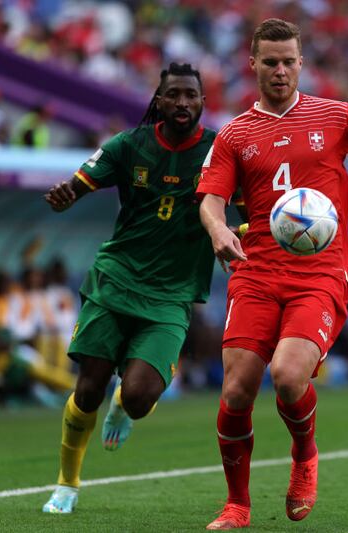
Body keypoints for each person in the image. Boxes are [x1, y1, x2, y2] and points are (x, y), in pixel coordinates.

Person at [196, 19, 348, 529]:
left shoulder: (336, 116)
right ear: (253, 64)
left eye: (288, 61)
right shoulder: (235, 134)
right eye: (270, 62)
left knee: (289, 376)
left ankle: (304, 456)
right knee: (236, 392)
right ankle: (237, 505)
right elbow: (211, 200)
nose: (280, 70)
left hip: (321, 273)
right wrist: (218, 229)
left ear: (301, 63)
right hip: (256, 272)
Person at [41, 63, 219, 514]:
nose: (183, 102)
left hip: (172, 294)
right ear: (158, 101)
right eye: (174, 94)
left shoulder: (219, 151)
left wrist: (241, 231)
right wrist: (67, 195)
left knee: (139, 397)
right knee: (88, 389)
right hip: (116, 281)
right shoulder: (128, 145)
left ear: (202, 101)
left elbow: (247, 205)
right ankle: (67, 484)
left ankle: (123, 405)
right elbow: (80, 183)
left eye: (191, 95)